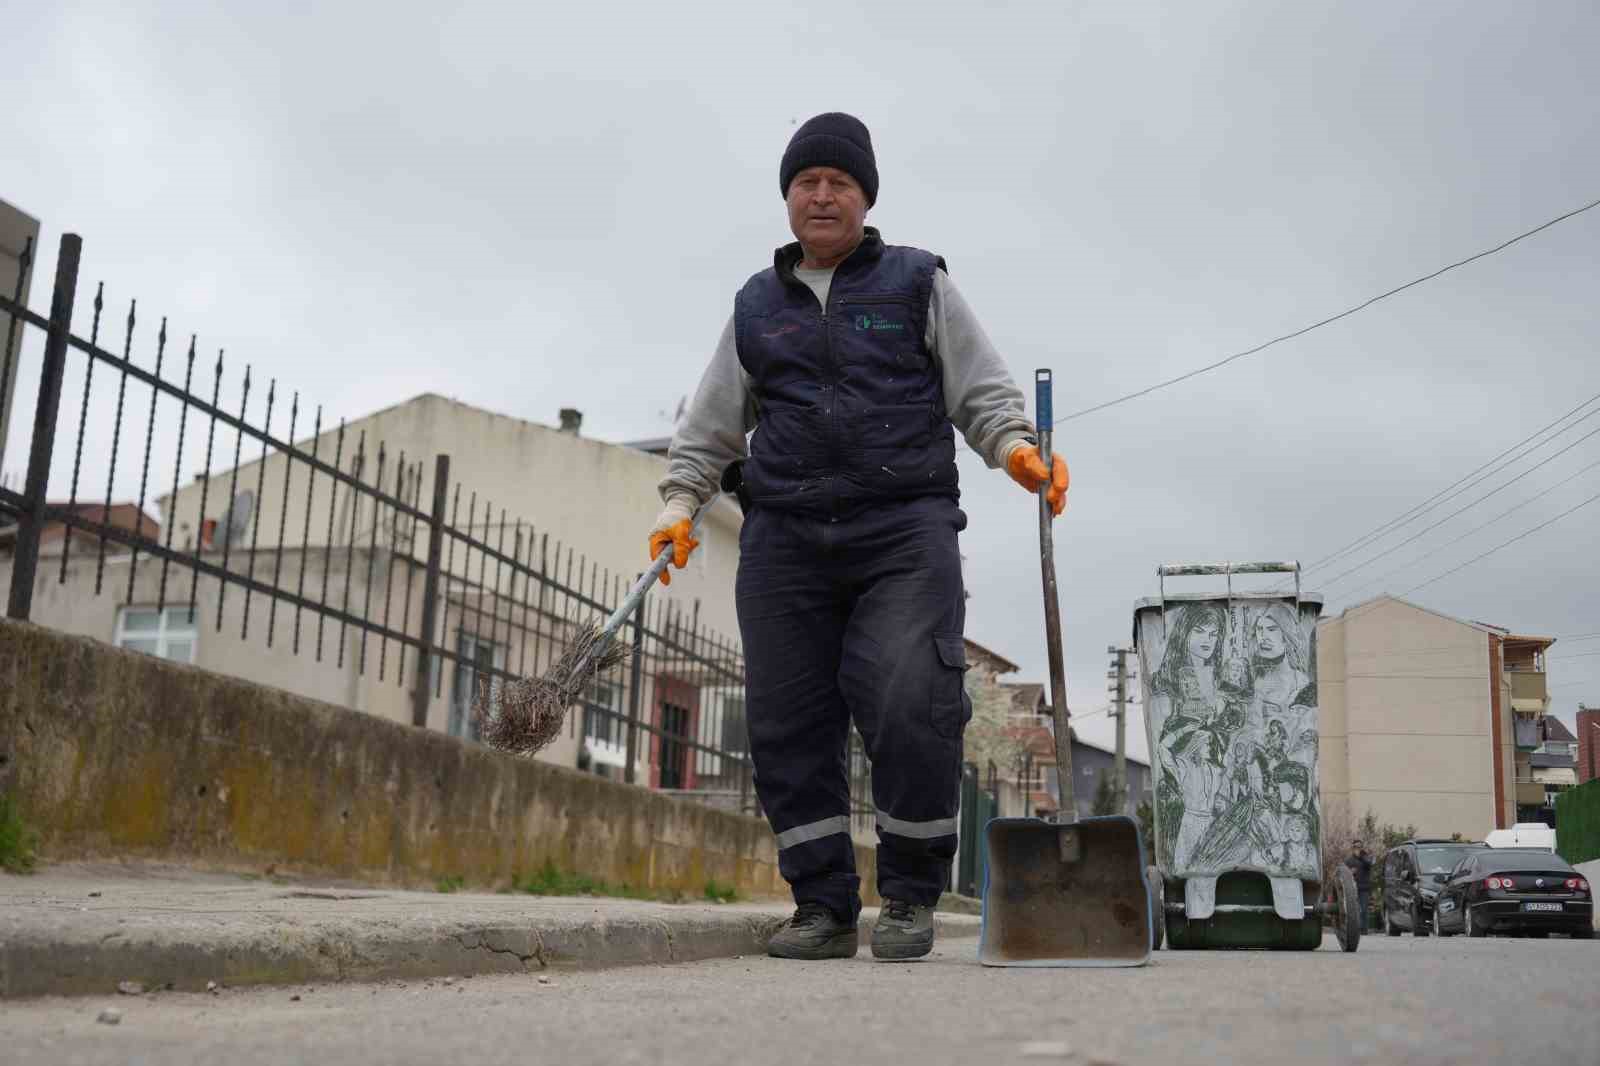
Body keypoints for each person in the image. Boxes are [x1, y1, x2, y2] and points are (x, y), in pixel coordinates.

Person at [646, 113, 1068, 961]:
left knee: (912, 691)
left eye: (840, 182)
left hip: (902, 526)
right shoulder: (755, 307)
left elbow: (978, 386)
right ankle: (822, 906)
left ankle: (909, 895)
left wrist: (1016, 448)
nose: (823, 194)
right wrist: (679, 503)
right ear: (789, 199)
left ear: (866, 197)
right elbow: (709, 426)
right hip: (786, 537)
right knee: (786, 720)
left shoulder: (917, 282)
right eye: (808, 182)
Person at [1345, 839, 1374, 931]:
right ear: (1352, 848)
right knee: (1353, 909)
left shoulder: (1366, 858)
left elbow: (1369, 864)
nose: (1357, 848)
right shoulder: (1348, 860)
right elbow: (1344, 874)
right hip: (1352, 888)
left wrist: (1361, 857)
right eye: (1355, 847)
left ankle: (1364, 929)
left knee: (1364, 909)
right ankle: (1354, 928)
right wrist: (1350, 872)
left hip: (1364, 888)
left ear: (1361, 848)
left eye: (1359, 847)